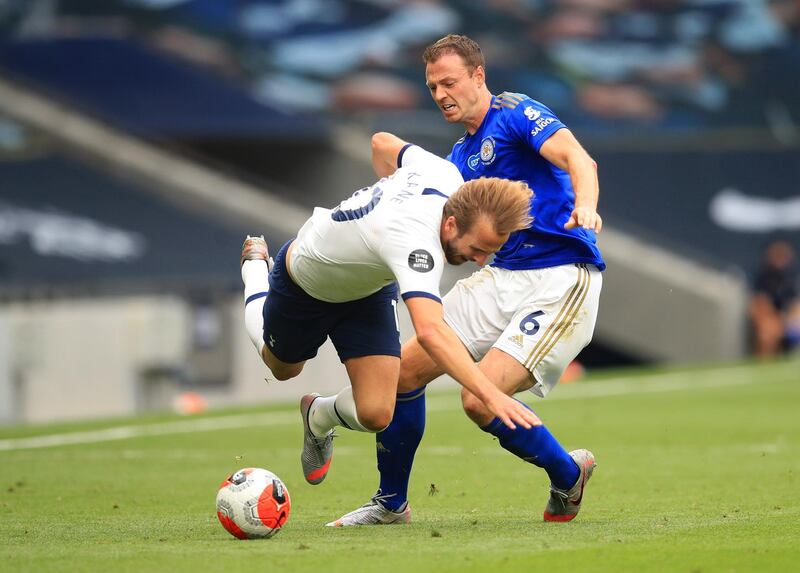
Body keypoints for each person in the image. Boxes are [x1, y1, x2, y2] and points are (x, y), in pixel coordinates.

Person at [328, 34, 605, 527]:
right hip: (500, 278)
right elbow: (385, 154)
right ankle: (391, 505)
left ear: (478, 76)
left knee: (478, 401)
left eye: (450, 82)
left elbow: (579, 159)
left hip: (561, 277)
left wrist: (586, 204)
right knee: (403, 372)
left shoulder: (516, 114)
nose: (440, 94)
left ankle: (567, 473)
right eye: (433, 86)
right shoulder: (457, 162)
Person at [240, 139, 540, 493]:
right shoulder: (415, 242)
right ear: (450, 224)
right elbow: (430, 332)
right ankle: (255, 269)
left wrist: (389, 192)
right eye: (477, 249)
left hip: (367, 290)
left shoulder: (445, 173)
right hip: (306, 283)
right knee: (283, 369)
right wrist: (491, 394)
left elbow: (382, 142)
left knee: (377, 414)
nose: (480, 260)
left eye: (488, 252)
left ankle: (317, 416)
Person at [749, 240, 800, 357]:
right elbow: (760, 303)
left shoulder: (790, 278)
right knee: (768, 332)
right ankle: (764, 367)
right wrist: (776, 320)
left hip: (787, 318)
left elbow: (795, 303)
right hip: (770, 318)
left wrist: (790, 318)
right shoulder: (763, 278)